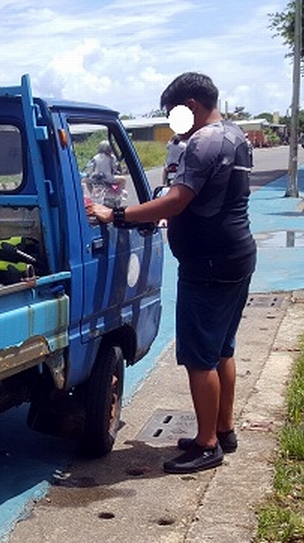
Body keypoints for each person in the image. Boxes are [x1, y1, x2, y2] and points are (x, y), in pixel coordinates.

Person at [88, 72, 255, 474]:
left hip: (208, 264)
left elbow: (177, 201)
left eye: (174, 114)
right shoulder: (236, 135)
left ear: (191, 106)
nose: (173, 123)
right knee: (222, 350)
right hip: (236, 254)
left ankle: (207, 445)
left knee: (199, 357)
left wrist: (118, 215)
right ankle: (224, 430)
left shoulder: (203, 142)